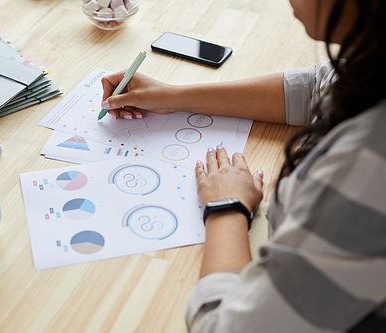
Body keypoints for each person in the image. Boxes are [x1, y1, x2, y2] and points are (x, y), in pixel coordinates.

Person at [100, 0, 386, 331]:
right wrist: (173, 96)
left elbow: (225, 327)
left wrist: (226, 207)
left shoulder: (366, 169)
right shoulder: (372, 66)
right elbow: (319, 88)